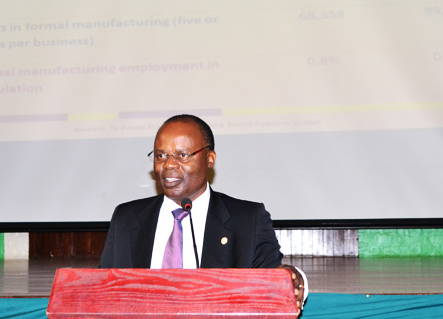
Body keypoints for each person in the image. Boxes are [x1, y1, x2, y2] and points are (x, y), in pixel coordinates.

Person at [99, 114, 307, 310]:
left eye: (182, 155)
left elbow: (276, 278)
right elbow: (102, 290)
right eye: (161, 155)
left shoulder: (247, 219)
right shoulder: (126, 218)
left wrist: (293, 277)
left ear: (209, 158)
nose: (169, 164)